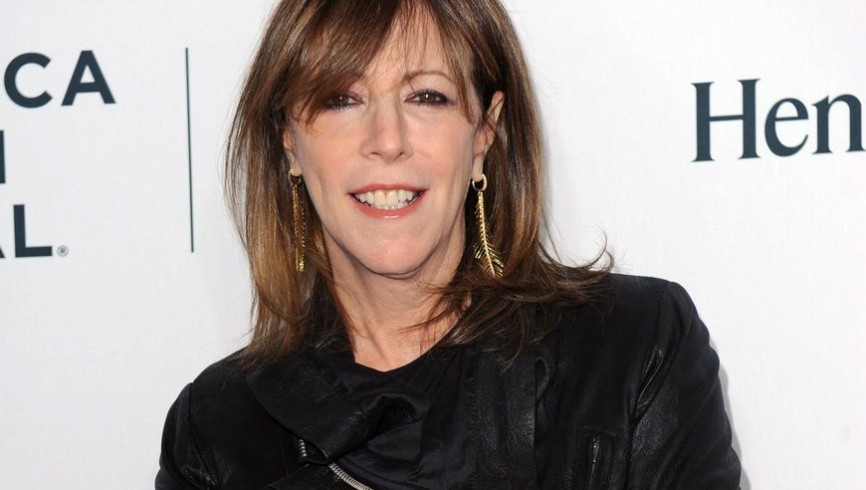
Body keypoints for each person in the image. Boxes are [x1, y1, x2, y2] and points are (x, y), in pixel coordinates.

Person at [156, 0, 742, 488]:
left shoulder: (633, 350)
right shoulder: (216, 434)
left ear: (485, 131)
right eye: (342, 98)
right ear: (288, 138)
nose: (387, 140)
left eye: (426, 97)